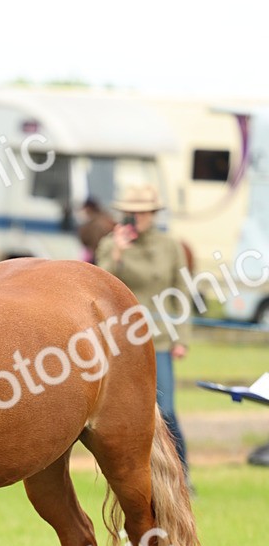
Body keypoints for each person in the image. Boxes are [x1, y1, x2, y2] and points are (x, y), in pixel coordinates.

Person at [96, 184, 191, 479]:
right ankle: (134, 475)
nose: (135, 217)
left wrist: (181, 338)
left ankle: (181, 475)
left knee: (166, 411)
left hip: (159, 339)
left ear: (153, 213)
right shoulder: (110, 245)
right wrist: (118, 253)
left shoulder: (170, 246)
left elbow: (182, 293)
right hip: (121, 342)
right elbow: (98, 285)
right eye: (130, 212)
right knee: (124, 414)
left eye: (142, 212)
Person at [76, 196, 115, 263]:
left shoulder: (89, 225)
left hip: (97, 256)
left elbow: (84, 240)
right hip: (109, 255)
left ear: (87, 209)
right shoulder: (108, 218)